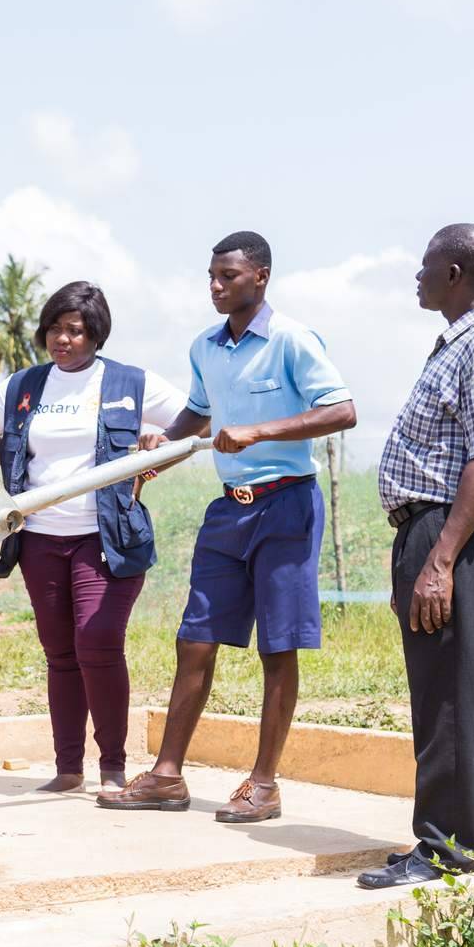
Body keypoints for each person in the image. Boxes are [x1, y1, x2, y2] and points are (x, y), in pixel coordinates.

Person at [98, 231, 356, 822]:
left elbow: (342, 410)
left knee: (279, 645)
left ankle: (263, 784)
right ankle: (167, 776)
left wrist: (260, 433)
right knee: (195, 638)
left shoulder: (291, 339)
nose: (216, 286)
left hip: (287, 505)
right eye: (211, 276)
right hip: (228, 510)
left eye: (229, 277)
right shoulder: (205, 347)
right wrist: (162, 446)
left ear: (260, 277)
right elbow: (198, 412)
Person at [0, 282, 185, 792]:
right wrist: (18, 460)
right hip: (39, 539)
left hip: (106, 537)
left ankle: (112, 768)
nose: (63, 339)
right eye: (55, 329)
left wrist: (155, 452)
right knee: (59, 651)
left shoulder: (130, 382)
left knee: (97, 640)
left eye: (75, 331)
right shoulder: (25, 386)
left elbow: (193, 424)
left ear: (96, 336)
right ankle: (67, 770)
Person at [356, 224, 474, 890]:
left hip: (455, 533)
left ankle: (449, 849)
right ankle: (458, 841)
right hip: (434, 531)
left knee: (453, 694)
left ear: (455, 271)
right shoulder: (460, 343)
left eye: (426, 265)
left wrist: (440, 560)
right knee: (446, 690)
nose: (417, 277)